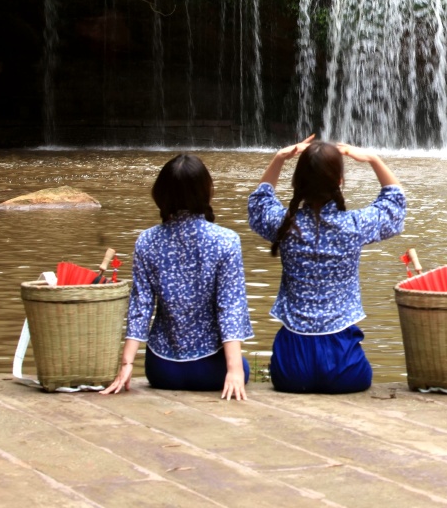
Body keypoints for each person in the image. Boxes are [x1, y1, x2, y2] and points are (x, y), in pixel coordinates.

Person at [248, 135, 406, 393]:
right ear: (339, 182)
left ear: (297, 182)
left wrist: (279, 158)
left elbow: (258, 203)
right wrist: (373, 159)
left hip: (290, 368)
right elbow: (395, 204)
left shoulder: (285, 225)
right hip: (344, 366)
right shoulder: (354, 225)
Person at [103, 154, 253, 400]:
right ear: (207, 191)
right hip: (212, 371)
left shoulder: (147, 241)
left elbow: (141, 306)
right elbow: (230, 308)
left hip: (162, 370)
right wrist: (235, 370)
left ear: (161, 194)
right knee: (245, 367)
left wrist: (126, 364)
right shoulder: (227, 241)